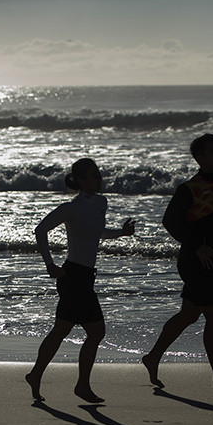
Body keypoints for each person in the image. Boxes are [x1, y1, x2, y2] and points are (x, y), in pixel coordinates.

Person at [142, 133, 213, 391]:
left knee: (189, 314)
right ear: (200, 158)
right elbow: (169, 221)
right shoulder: (189, 189)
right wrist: (198, 246)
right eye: (212, 152)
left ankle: (153, 356)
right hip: (194, 260)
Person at [25, 158, 135, 403]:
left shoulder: (100, 203)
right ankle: (81, 386)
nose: (99, 179)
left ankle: (36, 375)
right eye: (94, 176)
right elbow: (40, 230)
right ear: (81, 181)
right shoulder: (70, 208)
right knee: (95, 332)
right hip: (72, 276)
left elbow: (98, 234)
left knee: (62, 331)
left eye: (99, 175)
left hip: (85, 277)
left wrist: (122, 233)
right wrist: (49, 265)